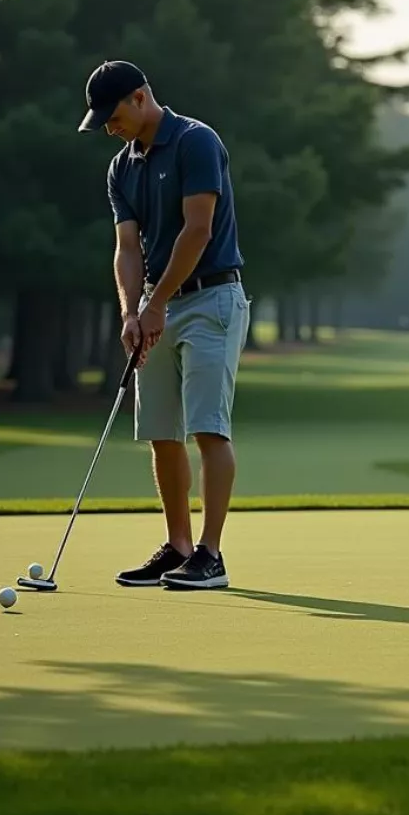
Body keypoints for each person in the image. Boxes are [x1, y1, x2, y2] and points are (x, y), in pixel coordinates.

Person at [78, 59, 250, 590]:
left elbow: (196, 231)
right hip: (158, 302)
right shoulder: (121, 167)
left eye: (113, 115)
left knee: (207, 428)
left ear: (139, 97)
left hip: (212, 298)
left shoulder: (196, 141)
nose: (109, 127)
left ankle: (210, 554)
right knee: (160, 432)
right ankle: (178, 546)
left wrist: (157, 303)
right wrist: (133, 309)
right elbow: (126, 249)